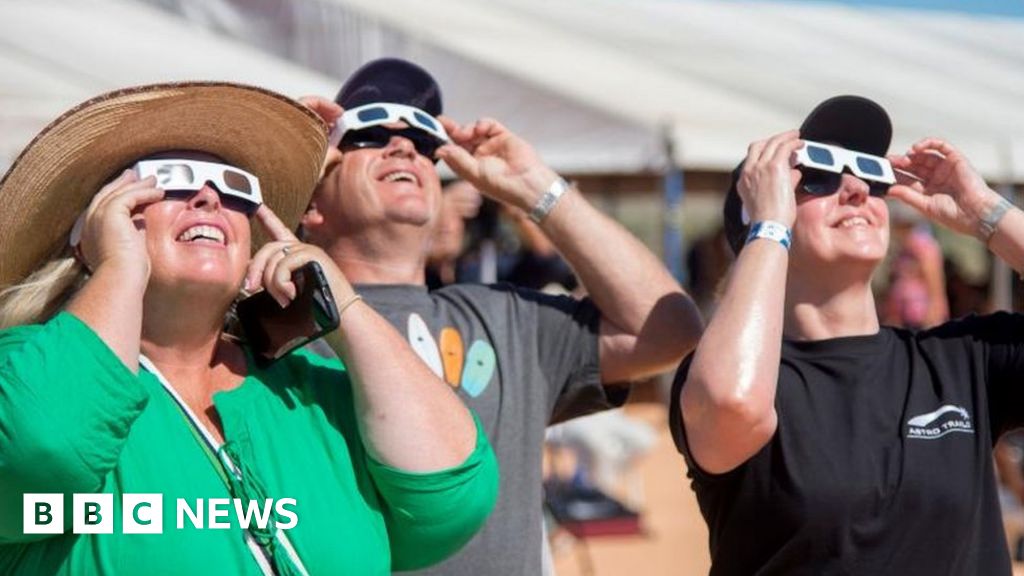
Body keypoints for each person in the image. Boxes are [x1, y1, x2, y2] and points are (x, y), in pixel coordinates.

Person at [0, 82, 497, 575]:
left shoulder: (309, 393)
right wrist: (118, 268)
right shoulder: (21, 371)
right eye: (168, 178)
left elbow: (451, 498)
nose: (209, 197)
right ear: (89, 230)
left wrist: (342, 306)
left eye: (235, 186)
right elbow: (34, 461)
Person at [300, 58, 704, 575]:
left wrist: (536, 188)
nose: (404, 146)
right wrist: (276, 164)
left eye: (426, 143)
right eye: (370, 134)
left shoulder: (505, 317)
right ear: (313, 201)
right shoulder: (274, 320)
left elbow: (665, 328)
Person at [670, 94, 1024, 574]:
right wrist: (772, 226)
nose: (857, 188)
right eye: (814, 177)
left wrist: (986, 213)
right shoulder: (741, 381)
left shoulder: (959, 362)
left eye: (870, 175)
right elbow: (731, 405)